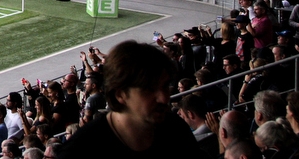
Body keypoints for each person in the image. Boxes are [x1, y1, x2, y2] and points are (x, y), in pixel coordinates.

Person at [56, 40, 199, 158]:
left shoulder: (175, 128)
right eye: (149, 89)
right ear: (120, 94)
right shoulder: (80, 150)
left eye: (165, 86)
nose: (163, 98)